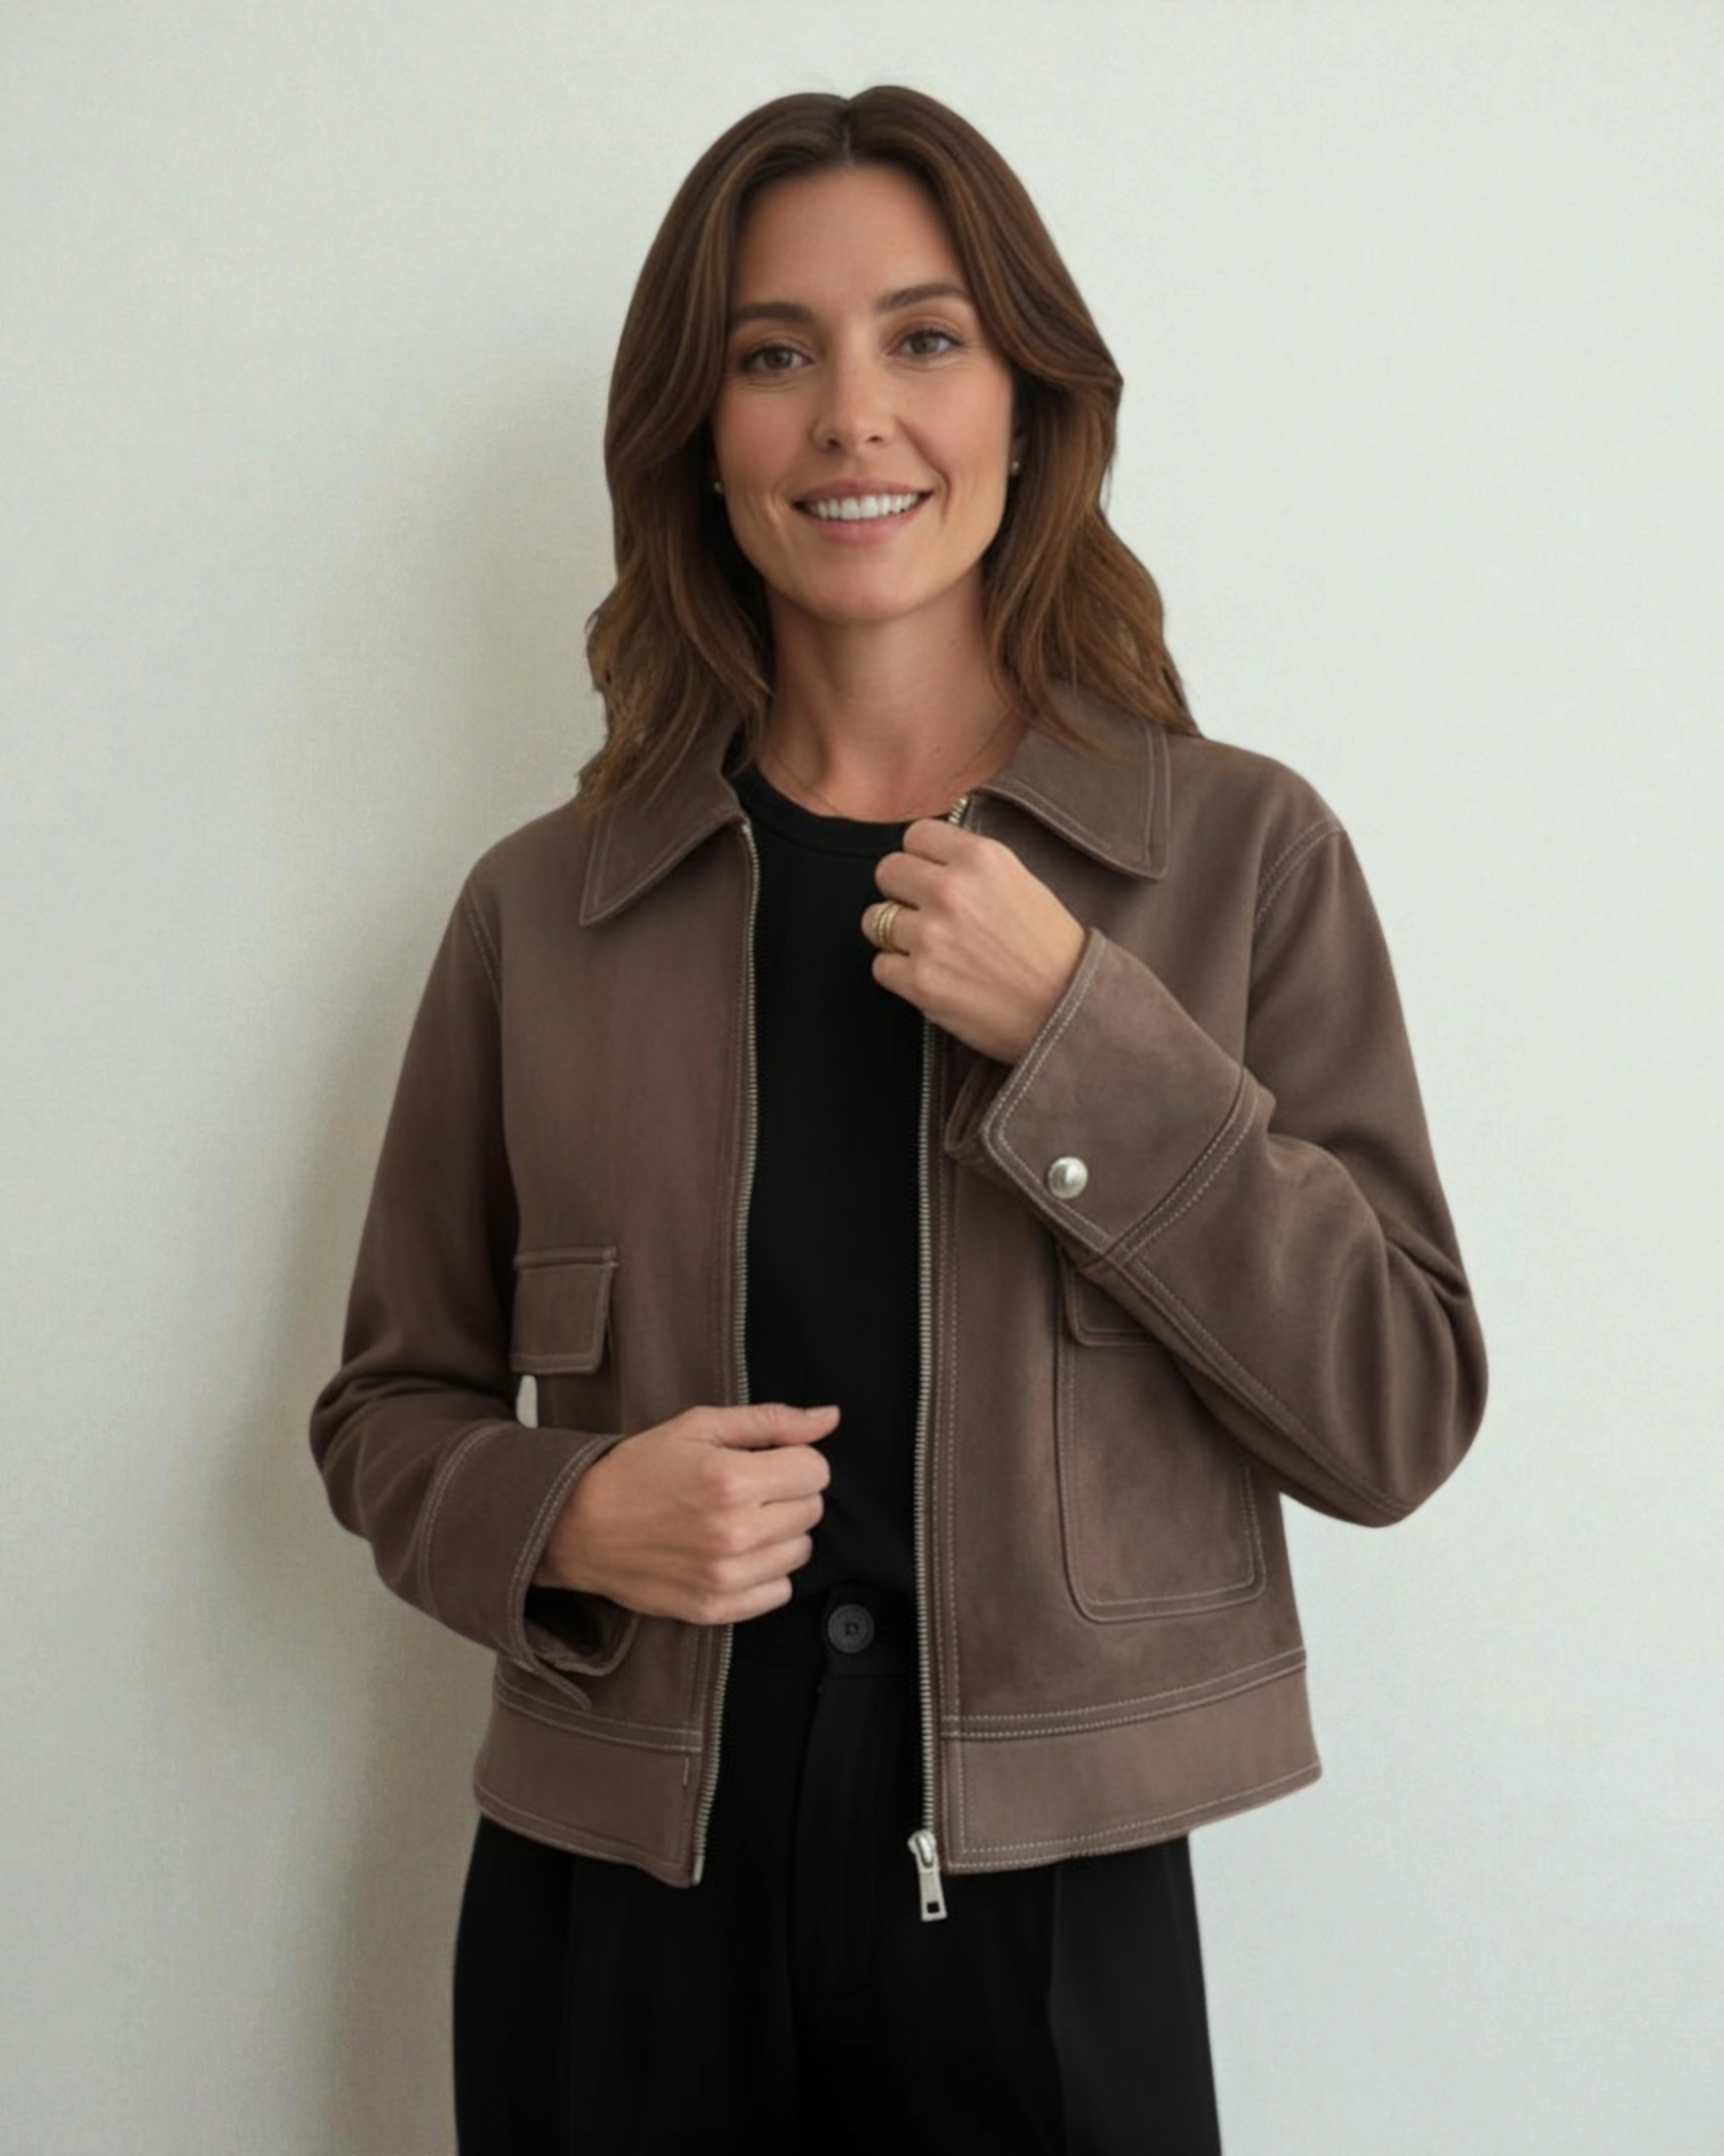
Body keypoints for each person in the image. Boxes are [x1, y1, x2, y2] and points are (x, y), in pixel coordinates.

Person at [309, 84, 1487, 2155]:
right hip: (618, 1889)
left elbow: (1393, 1411)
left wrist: (1080, 1032)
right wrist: (565, 1514)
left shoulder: (1235, 859)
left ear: (1029, 405)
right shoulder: (541, 910)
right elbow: (385, 1410)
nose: (853, 414)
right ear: (701, 434)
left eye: (924, 338)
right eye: (774, 354)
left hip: (1048, 1895)